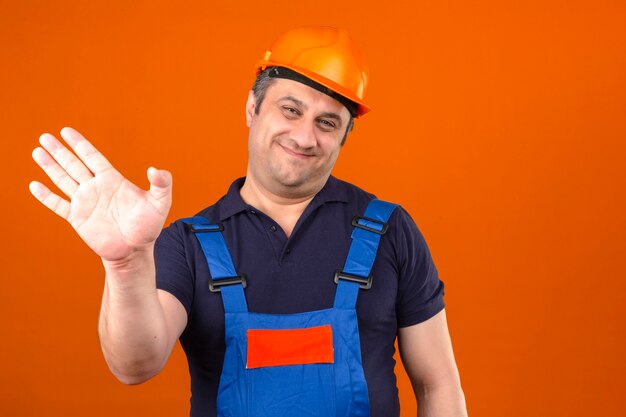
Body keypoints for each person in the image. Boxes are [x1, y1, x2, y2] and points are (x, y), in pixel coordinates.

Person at [30, 26, 467, 417]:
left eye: (327, 122)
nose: (304, 137)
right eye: (290, 110)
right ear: (251, 109)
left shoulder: (390, 230)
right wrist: (126, 264)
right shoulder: (188, 243)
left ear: (345, 136)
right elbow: (134, 365)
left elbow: (438, 384)